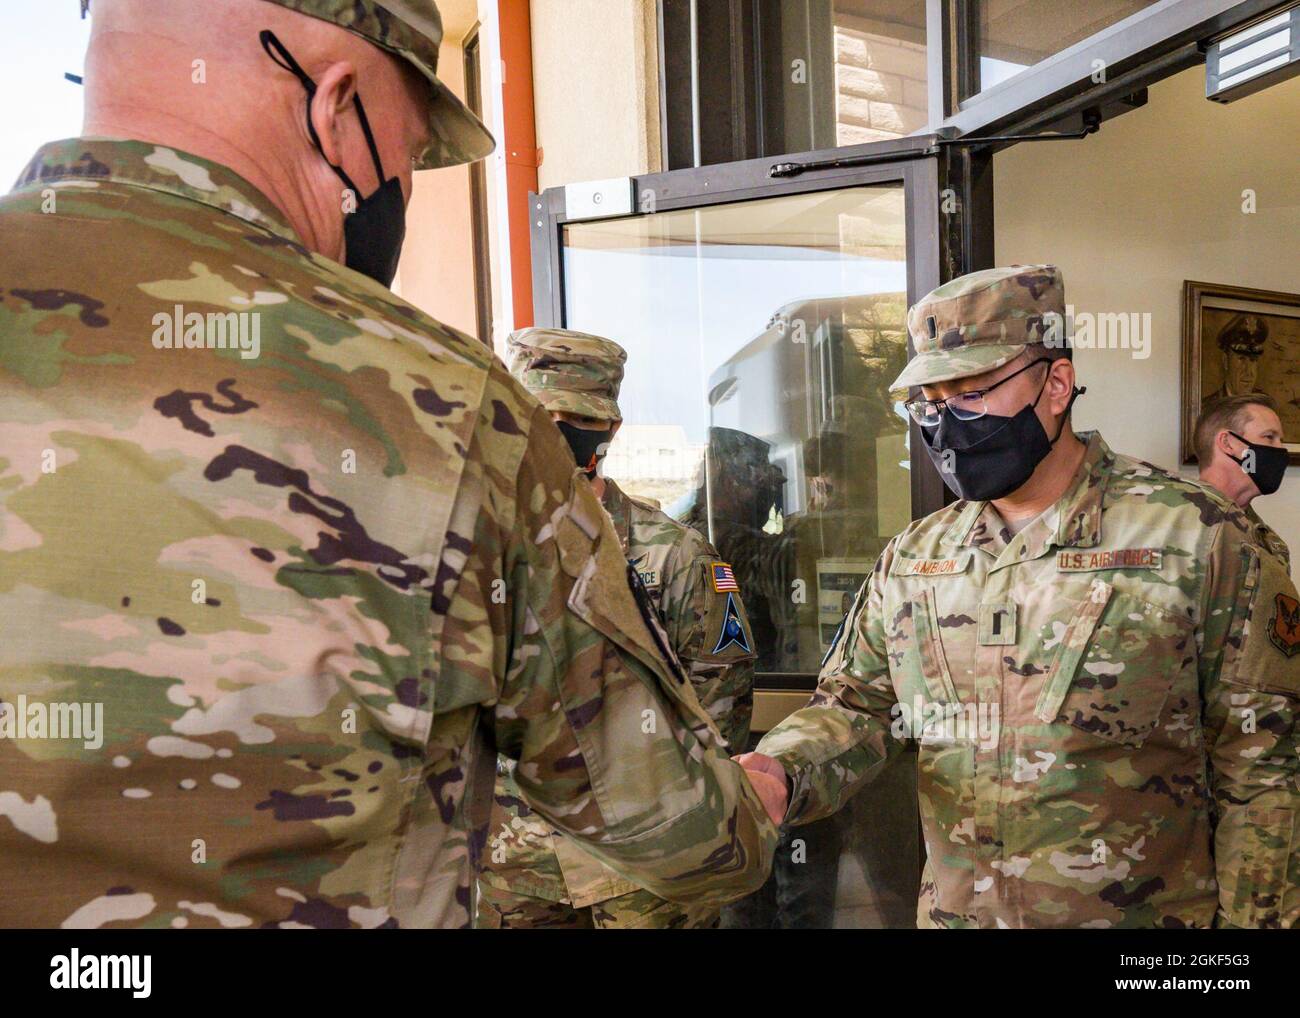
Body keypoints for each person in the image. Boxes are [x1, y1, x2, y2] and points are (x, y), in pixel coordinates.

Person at [0, 0, 778, 929]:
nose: (401, 192)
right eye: (409, 154)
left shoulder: (670, 548)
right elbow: (673, 826)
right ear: (335, 106)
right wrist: (752, 810)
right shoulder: (440, 407)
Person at [738, 264, 1300, 928]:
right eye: (930, 402)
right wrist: (779, 770)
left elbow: (1265, 767)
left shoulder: (1200, 537)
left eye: (972, 393)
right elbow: (856, 706)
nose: (947, 422)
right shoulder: (918, 558)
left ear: (1056, 385)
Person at [476, 327, 759, 929]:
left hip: (642, 871)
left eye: (572, 417)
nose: (552, 432)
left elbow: (721, 706)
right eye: (536, 415)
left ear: (608, 430)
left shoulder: (680, 557)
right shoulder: (481, 549)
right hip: (515, 864)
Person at [1195, 393, 1291, 573]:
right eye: (1269, 437)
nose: (1281, 449)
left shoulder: (1270, 543)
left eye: (1281, 440)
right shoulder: (1174, 522)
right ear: (1228, 443)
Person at [1205, 314, 1268, 402]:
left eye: (1253, 360)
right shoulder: (1209, 407)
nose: (1248, 371)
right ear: (1226, 361)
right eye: (1241, 359)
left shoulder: (1265, 408)